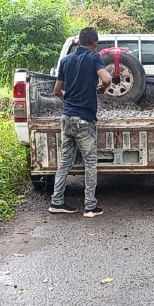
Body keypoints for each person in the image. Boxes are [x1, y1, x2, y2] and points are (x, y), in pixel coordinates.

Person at [49, 27, 112, 217]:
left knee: (65, 162)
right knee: (91, 162)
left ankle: (57, 202)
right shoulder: (94, 57)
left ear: (78, 42)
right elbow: (107, 78)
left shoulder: (65, 60)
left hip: (66, 117)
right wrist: (101, 88)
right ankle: (90, 206)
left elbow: (56, 91)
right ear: (95, 43)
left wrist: (68, 96)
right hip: (84, 119)